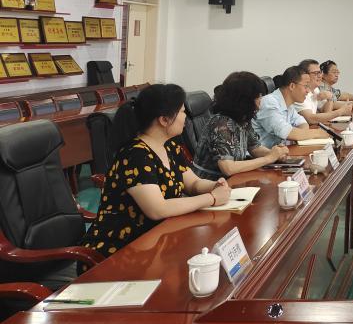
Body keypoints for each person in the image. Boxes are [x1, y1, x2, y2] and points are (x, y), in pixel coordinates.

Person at [82, 84, 231, 258]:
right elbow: (157, 209)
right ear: (164, 120)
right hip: (121, 249)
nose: (185, 117)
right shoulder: (135, 155)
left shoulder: (170, 146)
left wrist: (214, 186)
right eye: (182, 112)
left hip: (159, 238)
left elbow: (193, 184)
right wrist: (212, 198)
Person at [191, 71, 290, 181]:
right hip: (211, 183)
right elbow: (228, 168)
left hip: (235, 180)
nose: (261, 101)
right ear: (245, 100)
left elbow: (254, 148)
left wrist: (275, 154)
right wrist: (268, 158)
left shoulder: (243, 118)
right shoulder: (221, 124)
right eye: (258, 97)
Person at [252, 65, 327, 147]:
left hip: (278, 151)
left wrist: (300, 134)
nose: (308, 91)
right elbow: (286, 132)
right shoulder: (269, 103)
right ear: (292, 86)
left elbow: (302, 123)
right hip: (262, 153)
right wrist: (317, 133)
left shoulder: (289, 104)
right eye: (306, 86)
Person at [295, 59, 353, 124]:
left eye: (320, 72)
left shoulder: (315, 90)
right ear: (304, 75)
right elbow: (311, 119)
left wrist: (330, 98)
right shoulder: (300, 93)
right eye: (316, 73)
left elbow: (326, 113)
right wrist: (340, 112)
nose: (320, 76)